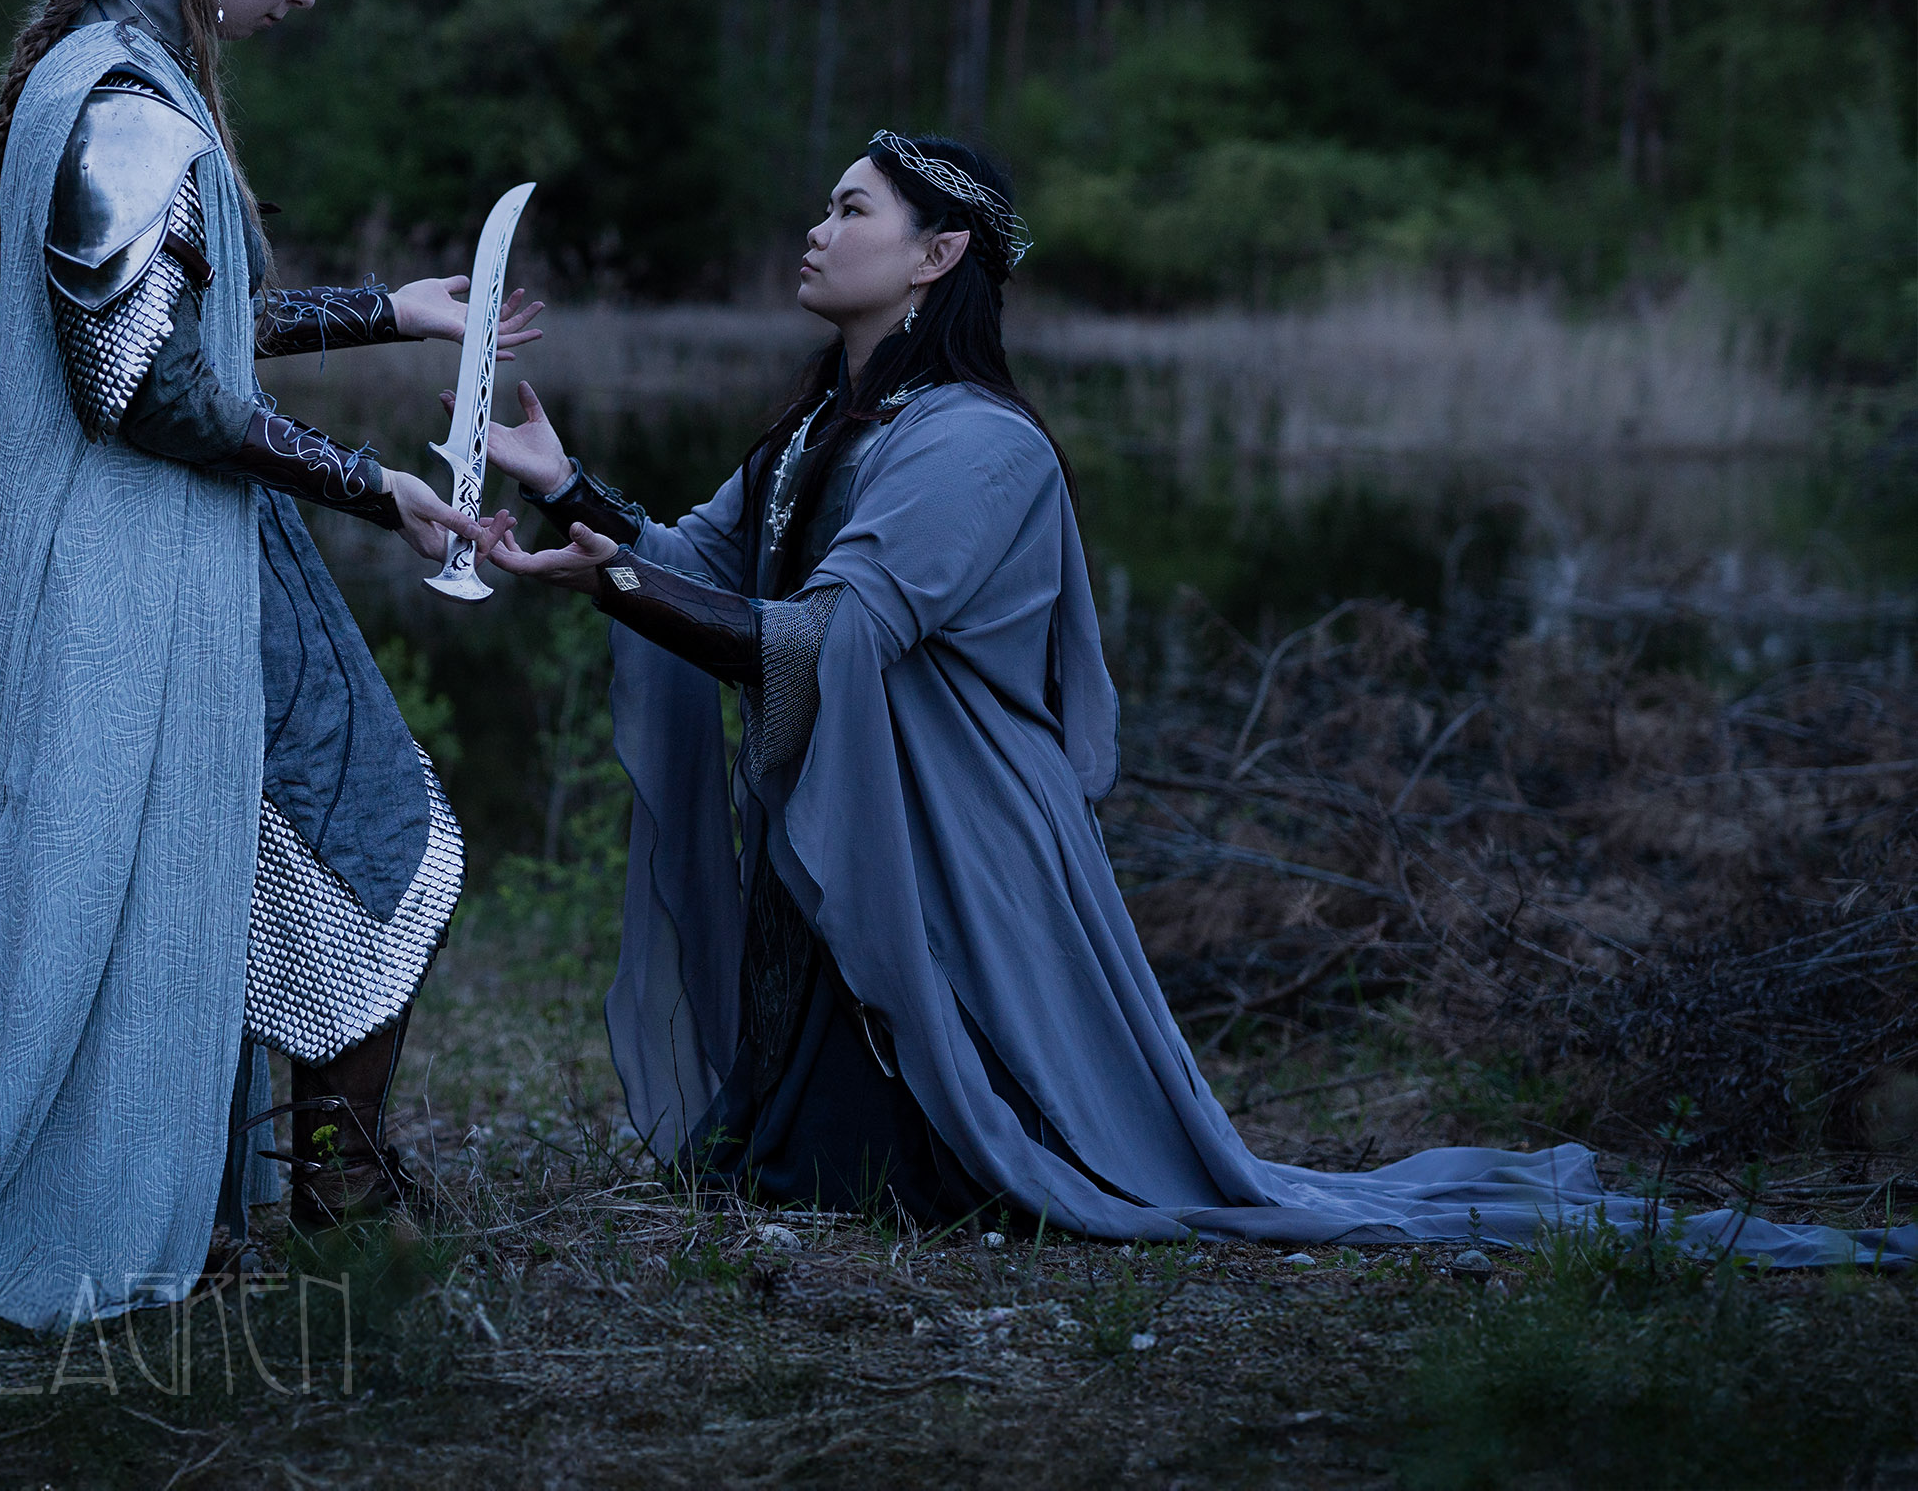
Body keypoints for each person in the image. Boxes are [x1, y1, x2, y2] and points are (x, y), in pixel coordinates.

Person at [483, 130, 1915, 1268]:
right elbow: (701, 568)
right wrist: (561, 485)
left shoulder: (977, 446)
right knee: (788, 1174)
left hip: (954, 845)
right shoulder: (814, 431)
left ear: (936, 254)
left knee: (905, 1183)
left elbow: (831, 641)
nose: (815, 227)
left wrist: (619, 587)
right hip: (855, 821)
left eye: (850, 209)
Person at [0, 0, 521, 1333]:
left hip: (171, 564)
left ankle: (260, 1189)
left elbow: (183, 327)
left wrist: (388, 311)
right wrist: (377, 487)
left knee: (304, 851)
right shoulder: (124, 106)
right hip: (141, 578)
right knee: (389, 843)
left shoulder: (116, 81)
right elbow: (140, 390)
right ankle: (320, 1185)